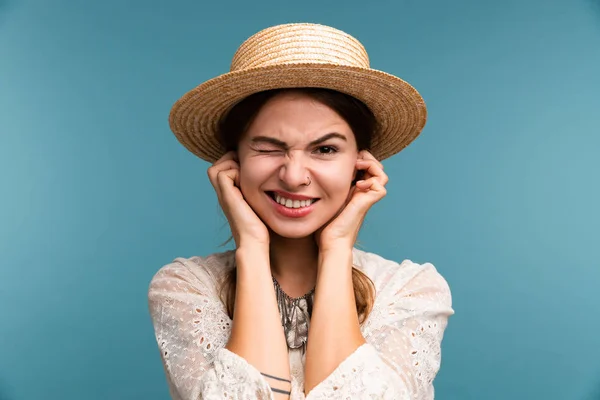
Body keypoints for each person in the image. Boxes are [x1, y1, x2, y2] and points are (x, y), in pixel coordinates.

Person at [148, 23, 454, 399]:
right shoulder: (184, 287)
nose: (293, 176)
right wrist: (252, 247)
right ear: (234, 163)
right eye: (268, 147)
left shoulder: (412, 290)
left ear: (360, 164)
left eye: (325, 150)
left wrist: (337, 248)